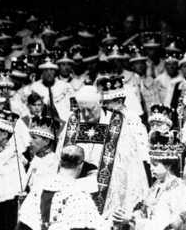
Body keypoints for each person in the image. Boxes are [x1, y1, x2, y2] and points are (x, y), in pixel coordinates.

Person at [59, 85, 148, 218]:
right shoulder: (73, 122)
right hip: (76, 192)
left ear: (100, 103)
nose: (86, 115)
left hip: (109, 196)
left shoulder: (117, 123)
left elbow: (130, 164)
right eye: (82, 110)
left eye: (90, 109)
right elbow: (61, 159)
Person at [24, 115, 59, 193]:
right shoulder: (37, 158)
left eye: (34, 138)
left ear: (46, 141)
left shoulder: (52, 161)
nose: (30, 141)